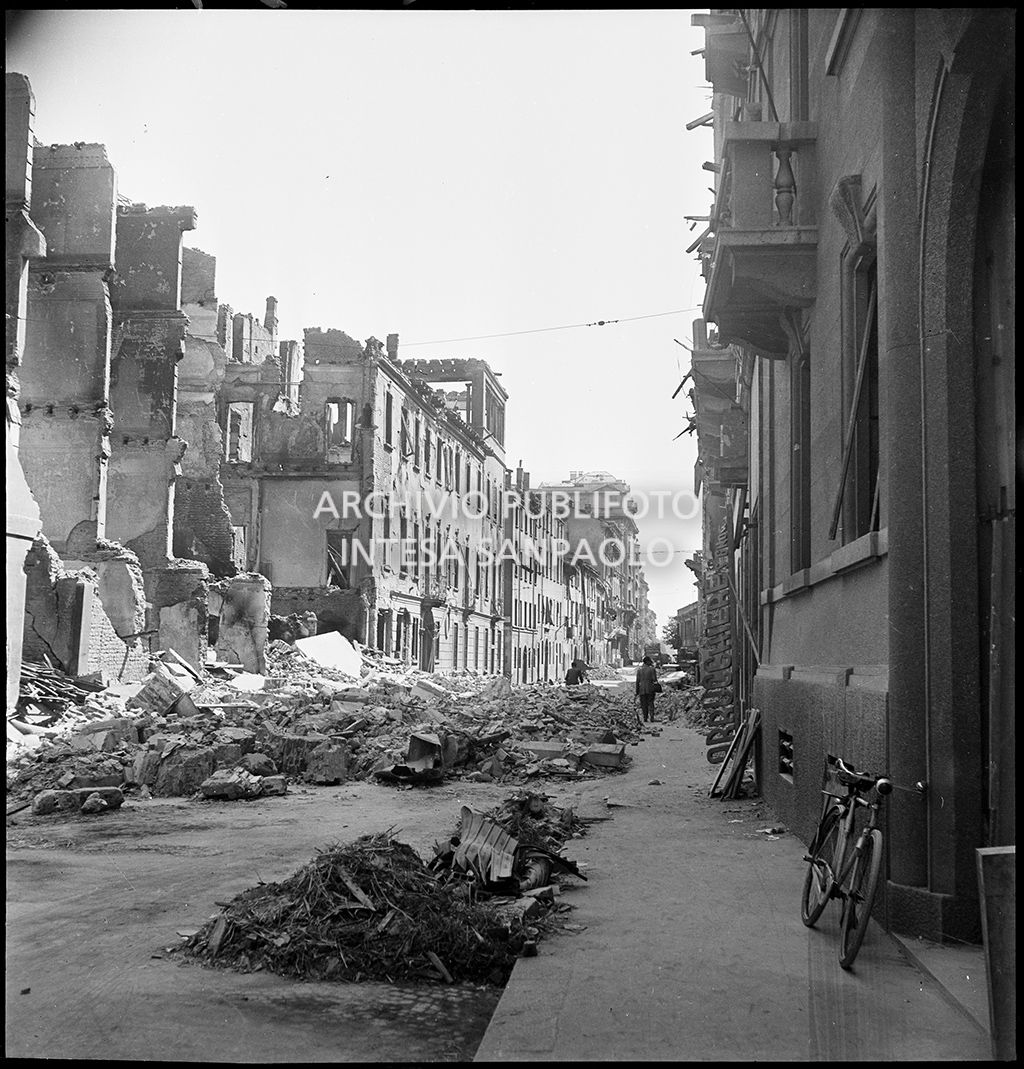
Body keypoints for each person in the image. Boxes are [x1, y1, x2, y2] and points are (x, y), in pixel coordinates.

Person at [635, 655, 659, 724]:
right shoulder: (652, 669)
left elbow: (637, 682)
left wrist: (637, 691)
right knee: (651, 703)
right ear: (647, 662)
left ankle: (645, 718)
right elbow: (654, 679)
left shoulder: (639, 670)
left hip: (642, 689)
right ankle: (651, 717)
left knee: (644, 704)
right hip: (650, 688)